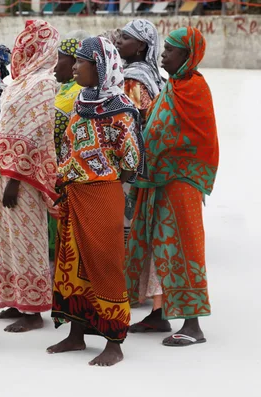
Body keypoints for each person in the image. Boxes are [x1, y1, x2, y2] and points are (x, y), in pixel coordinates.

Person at [47, 36, 144, 366]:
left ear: (99, 67)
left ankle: (114, 340)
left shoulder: (120, 110)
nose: (74, 67)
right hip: (74, 194)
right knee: (72, 265)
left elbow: (131, 160)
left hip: (102, 196)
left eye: (81, 61)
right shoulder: (80, 103)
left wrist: (98, 173)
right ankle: (76, 335)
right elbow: (68, 146)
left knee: (105, 264)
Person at [125, 27, 219, 345]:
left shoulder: (195, 88)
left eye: (170, 50)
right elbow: (156, 123)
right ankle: (158, 314)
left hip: (180, 182)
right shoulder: (174, 85)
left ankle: (193, 324)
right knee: (156, 247)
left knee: (183, 247)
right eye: (164, 49)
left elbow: (196, 139)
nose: (164, 55)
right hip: (158, 180)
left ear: (187, 55)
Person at [0, 20, 59, 332]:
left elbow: (36, 131)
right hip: (5, 172)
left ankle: (33, 311)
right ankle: (16, 298)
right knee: (8, 240)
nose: (19, 49)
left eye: (25, 44)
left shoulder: (43, 83)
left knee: (29, 239)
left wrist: (15, 178)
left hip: (24, 177)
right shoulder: (20, 81)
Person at [115, 19, 166, 245]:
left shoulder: (132, 80)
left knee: (126, 222)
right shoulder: (153, 75)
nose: (118, 41)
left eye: (125, 38)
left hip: (131, 163)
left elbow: (130, 123)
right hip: (146, 160)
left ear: (141, 46)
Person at [48, 37, 84, 269]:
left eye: (59, 58)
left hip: (68, 176)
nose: (54, 65)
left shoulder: (78, 94)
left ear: (73, 62)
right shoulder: (64, 89)